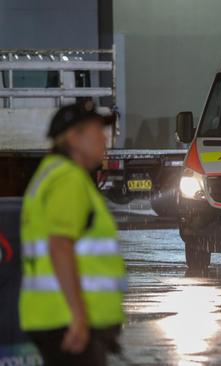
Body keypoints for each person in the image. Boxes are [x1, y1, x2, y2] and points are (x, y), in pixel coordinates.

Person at [19, 101, 125, 366]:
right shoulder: (68, 179)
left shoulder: (54, 174)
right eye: (96, 131)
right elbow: (60, 245)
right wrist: (78, 317)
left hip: (55, 317)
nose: (104, 138)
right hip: (67, 321)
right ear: (73, 138)